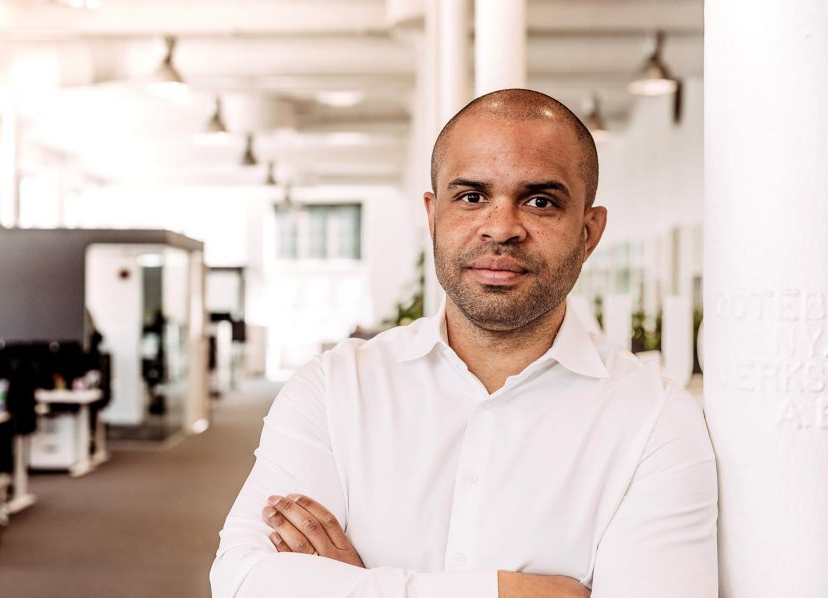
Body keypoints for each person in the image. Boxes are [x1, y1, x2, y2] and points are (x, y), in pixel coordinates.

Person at [210, 89, 717, 598]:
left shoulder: (656, 420)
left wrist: (359, 585)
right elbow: (245, 581)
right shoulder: (334, 387)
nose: (500, 228)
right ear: (433, 216)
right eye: (472, 197)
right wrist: (512, 591)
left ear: (588, 232)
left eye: (540, 201)